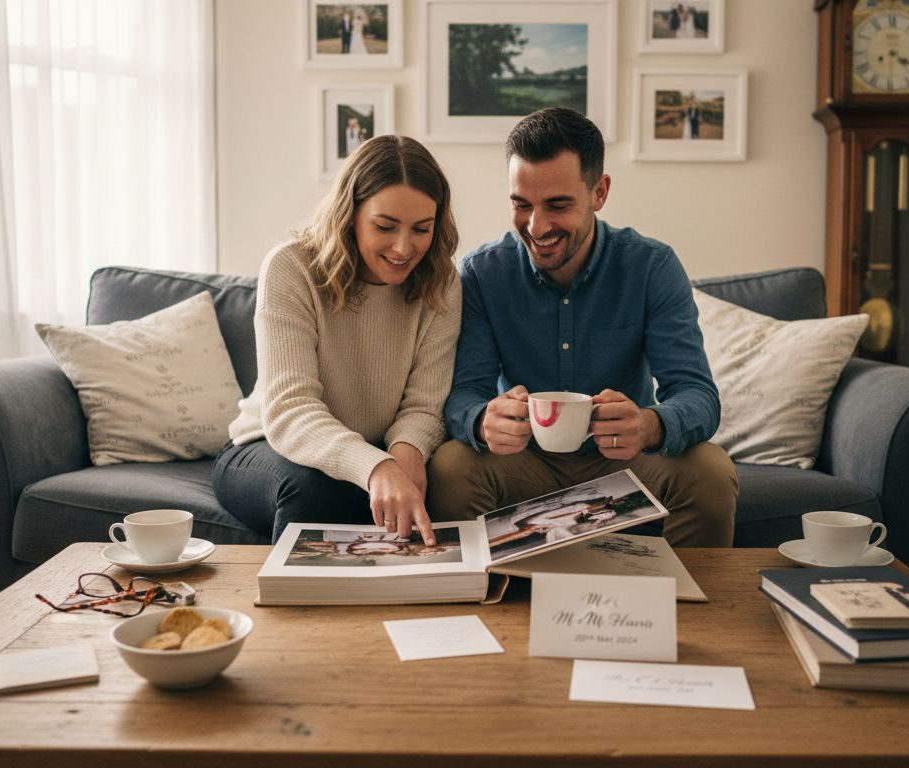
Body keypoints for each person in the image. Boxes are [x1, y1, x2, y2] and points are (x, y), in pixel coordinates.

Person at [426, 107, 738, 548]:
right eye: (521, 204)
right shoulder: (482, 273)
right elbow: (463, 394)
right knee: (449, 467)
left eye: (557, 205)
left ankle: (687, 611)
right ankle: (478, 600)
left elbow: (698, 395)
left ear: (600, 192)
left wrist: (649, 425)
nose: (536, 226)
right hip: (523, 461)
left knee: (710, 471)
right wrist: (481, 421)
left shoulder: (652, 267)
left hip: (623, 462)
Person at [212, 135, 465, 548]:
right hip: (268, 446)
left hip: (374, 453)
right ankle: (293, 612)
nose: (405, 248)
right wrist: (377, 468)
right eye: (385, 227)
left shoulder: (442, 282)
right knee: (316, 491)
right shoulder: (291, 268)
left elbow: (425, 404)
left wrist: (406, 452)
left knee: (438, 484)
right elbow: (291, 410)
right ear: (350, 215)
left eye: (422, 229)